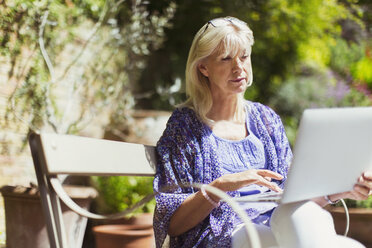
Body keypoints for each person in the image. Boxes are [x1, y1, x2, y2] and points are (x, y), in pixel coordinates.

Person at [152, 16, 372, 248]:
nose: (239, 68)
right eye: (226, 59)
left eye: (244, 56)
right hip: (225, 234)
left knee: (311, 221)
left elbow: (292, 198)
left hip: (280, 224)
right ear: (203, 67)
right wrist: (221, 187)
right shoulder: (185, 126)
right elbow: (173, 223)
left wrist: (338, 190)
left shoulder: (266, 120)